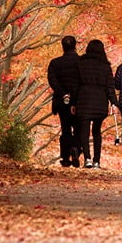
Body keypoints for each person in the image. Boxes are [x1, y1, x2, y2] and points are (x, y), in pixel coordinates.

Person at [76, 39, 117, 169]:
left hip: (84, 99)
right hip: (100, 101)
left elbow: (76, 84)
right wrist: (114, 102)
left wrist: (73, 102)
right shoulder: (105, 66)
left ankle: (87, 158)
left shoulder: (81, 63)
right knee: (97, 132)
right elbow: (110, 87)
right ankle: (96, 161)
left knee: (84, 130)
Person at [47, 35, 80, 167]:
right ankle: (76, 148)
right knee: (78, 128)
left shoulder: (55, 63)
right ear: (75, 46)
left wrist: (63, 94)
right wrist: (74, 96)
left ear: (63, 46)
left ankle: (65, 157)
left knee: (65, 128)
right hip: (78, 100)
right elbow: (83, 81)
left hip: (61, 101)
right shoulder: (81, 62)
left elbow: (52, 81)